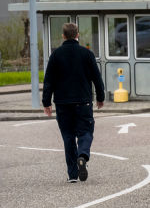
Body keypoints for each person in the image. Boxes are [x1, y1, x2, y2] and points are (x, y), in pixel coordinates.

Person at [42, 22, 105, 183]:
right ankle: (83, 155)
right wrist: (100, 97)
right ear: (77, 35)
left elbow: (48, 80)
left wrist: (46, 102)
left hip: (62, 103)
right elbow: (96, 78)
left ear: (63, 36)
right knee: (85, 132)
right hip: (83, 102)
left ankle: (72, 174)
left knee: (68, 137)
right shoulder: (87, 54)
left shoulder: (55, 55)